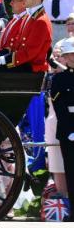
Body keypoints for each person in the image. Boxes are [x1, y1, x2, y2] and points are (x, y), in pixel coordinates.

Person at [50, 37, 74, 201]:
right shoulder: (59, 79)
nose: (71, 57)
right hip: (68, 129)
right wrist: (71, 130)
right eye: (69, 55)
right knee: (71, 171)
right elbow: (59, 107)